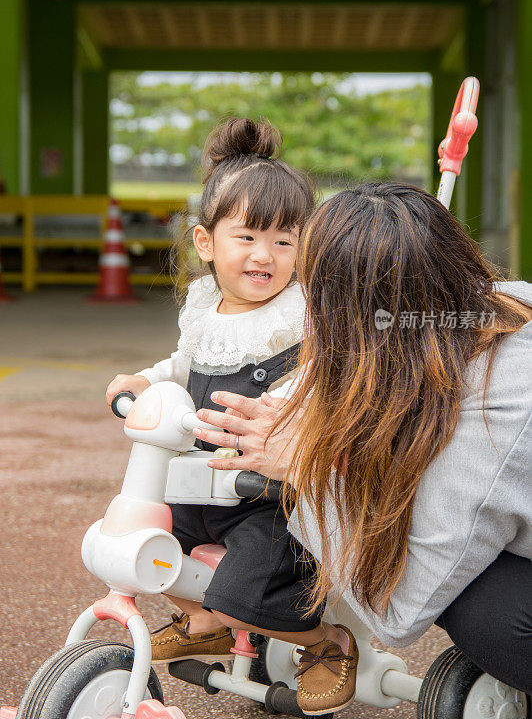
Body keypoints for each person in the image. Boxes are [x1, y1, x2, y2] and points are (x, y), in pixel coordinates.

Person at [194, 183, 532, 695]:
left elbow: (400, 611)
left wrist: (310, 471)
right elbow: (359, 373)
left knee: (485, 609)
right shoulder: (480, 309)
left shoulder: (498, 417)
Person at [106, 118, 358, 716]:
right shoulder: (203, 306)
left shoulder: (301, 317)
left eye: (284, 241)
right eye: (247, 237)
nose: (265, 256)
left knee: (250, 582)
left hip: (270, 493)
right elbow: (185, 363)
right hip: (201, 481)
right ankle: (205, 622)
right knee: (149, 545)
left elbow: (319, 377)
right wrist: (146, 379)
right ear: (205, 243)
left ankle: (325, 643)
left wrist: (291, 406)